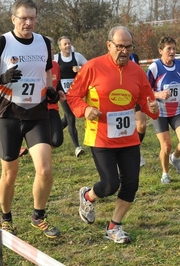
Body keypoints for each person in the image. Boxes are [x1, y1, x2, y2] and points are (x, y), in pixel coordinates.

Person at [0, 0, 63, 238]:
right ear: (13, 19)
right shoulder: (3, 43)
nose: (28, 23)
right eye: (23, 18)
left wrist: (50, 89)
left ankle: (38, 216)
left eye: (32, 18)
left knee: (45, 170)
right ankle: (6, 217)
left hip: (37, 114)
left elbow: (46, 71)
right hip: (9, 115)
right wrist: (0, 78)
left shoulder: (44, 42)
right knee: (9, 175)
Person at [66, 26, 159, 243]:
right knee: (110, 184)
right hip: (101, 136)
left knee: (131, 184)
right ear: (109, 45)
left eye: (128, 47)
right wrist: (85, 110)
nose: (124, 51)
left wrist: (152, 109)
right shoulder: (92, 67)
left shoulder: (137, 72)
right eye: (120, 47)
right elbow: (73, 96)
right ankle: (88, 196)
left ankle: (114, 226)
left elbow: (147, 99)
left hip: (128, 138)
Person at [146, 36, 180, 184]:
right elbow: (144, 91)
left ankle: (175, 158)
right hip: (159, 112)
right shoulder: (154, 68)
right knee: (166, 146)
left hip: (176, 110)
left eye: (174, 48)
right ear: (160, 51)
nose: (172, 52)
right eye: (168, 49)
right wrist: (158, 94)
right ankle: (165, 173)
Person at [54, 36, 87, 157]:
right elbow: (49, 71)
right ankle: (77, 147)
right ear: (60, 47)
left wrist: (80, 69)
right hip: (62, 93)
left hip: (75, 93)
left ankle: (52, 133)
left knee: (67, 119)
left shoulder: (77, 56)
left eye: (69, 43)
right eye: (65, 44)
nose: (67, 46)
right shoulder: (56, 58)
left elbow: (90, 67)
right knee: (70, 117)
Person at [130, 52, 147, 167]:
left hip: (135, 94)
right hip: (119, 95)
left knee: (141, 125)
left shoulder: (134, 56)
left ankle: (134, 151)